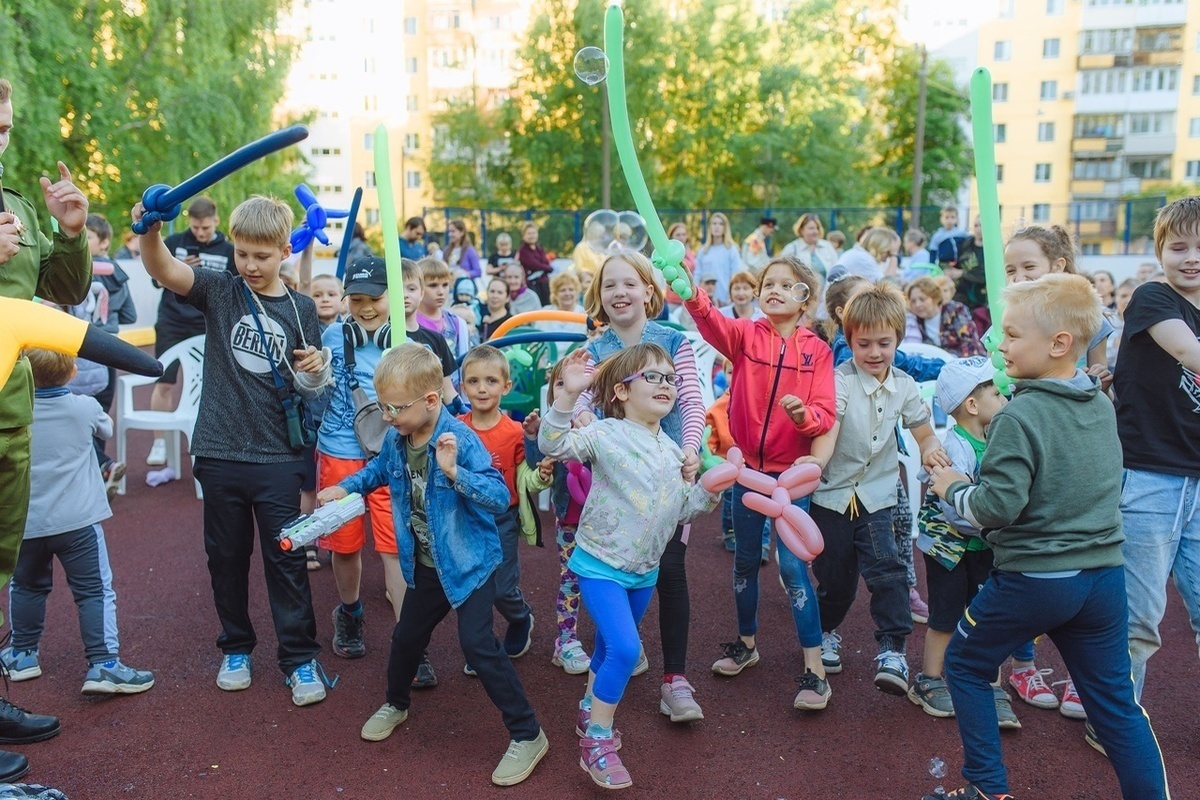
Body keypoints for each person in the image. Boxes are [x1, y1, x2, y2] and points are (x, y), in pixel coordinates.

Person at [927, 274, 1170, 800]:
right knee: (1117, 707)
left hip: (1034, 579)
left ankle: (987, 790)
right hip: (1103, 580)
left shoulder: (1018, 416)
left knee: (966, 665)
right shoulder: (1100, 405)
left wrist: (952, 487)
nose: (1000, 344)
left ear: (1059, 343)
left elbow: (995, 509)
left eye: (1012, 335)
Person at [134, 194, 333, 707]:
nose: (249, 265)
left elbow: (313, 391)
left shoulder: (302, 307)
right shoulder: (221, 290)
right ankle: (237, 648)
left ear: (285, 251)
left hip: (278, 457)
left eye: (261, 256)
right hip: (220, 452)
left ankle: (299, 657)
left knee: (286, 560)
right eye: (242, 254)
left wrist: (316, 372)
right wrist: (150, 229)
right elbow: (163, 268)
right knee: (225, 557)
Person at [319, 344, 549, 786]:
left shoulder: (459, 440)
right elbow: (378, 472)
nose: (387, 416)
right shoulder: (397, 436)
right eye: (383, 405)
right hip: (427, 564)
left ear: (430, 401)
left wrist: (453, 473)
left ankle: (528, 734)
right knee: (407, 635)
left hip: (469, 562)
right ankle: (396, 702)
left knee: (477, 644)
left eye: (395, 407)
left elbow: (500, 497)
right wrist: (346, 488)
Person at [540, 345, 718, 790]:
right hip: (599, 563)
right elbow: (553, 443)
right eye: (652, 377)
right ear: (621, 390)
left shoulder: (674, 450)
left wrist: (711, 489)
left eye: (670, 379)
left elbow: (681, 510)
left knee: (605, 648)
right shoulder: (604, 433)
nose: (665, 385)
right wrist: (567, 397)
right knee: (624, 650)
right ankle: (598, 740)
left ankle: (588, 707)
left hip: (644, 569)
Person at [684, 255, 837, 710]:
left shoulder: (818, 350)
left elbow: (825, 414)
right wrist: (690, 290)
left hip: (791, 479)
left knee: (792, 567)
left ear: (804, 296)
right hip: (746, 471)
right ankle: (747, 645)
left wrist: (803, 417)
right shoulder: (746, 334)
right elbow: (709, 321)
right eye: (768, 283)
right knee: (745, 560)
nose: (773, 289)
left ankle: (815, 669)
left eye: (785, 285)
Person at [0, 76, 93, 779]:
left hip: (10, 416)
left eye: (3, 128)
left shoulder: (12, 206)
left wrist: (66, 231)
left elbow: (60, 290)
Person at [574, 251, 707, 723]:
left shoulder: (674, 340)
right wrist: (581, 416)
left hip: (671, 478)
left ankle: (675, 679)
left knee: (669, 570)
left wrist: (690, 450)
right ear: (599, 296)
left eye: (630, 283)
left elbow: (692, 403)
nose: (620, 293)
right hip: (618, 484)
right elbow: (581, 405)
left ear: (649, 291)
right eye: (610, 285)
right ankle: (609, 672)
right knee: (613, 571)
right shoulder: (594, 351)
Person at [808, 282, 950, 698]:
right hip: (832, 497)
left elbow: (923, 432)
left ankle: (892, 647)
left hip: (877, 497)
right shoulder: (841, 381)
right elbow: (830, 429)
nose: (874, 353)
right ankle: (827, 631)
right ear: (848, 340)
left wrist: (931, 451)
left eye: (883, 343)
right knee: (835, 580)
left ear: (897, 341)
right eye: (863, 343)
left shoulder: (904, 385)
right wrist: (817, 461)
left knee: (889, 569)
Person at [0, 349, 154, 696]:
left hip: (26, 522)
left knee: (26, 587)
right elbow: (107, 427)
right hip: (78, 522)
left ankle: (23, 653)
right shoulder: (84, 407)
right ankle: (103, 664)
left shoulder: (13, 409)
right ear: (72, 371)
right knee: (94, 592)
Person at [1114, 196, 1200, 709]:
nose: (1192, 257)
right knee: (1139, 617)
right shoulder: (1152, 297)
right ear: (1160, 251)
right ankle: (1117, 718)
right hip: (1150, 478)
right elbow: (1190, 352)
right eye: (1180, 247)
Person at [908, 357, 1024, 730]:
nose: (1003, 393)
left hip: (985, 546)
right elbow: (956, 511)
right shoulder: (953, 449)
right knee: (945, 616)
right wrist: (997, 524)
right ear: (972, 405)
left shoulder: (997, 437)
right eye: (994, 389)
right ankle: (929, 679)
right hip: (951, 550)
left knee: (987, 617)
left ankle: (990, 686)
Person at [457, 345, 551, 675]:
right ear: (462, 386)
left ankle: (519, 615)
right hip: (466, 518)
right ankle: (480, 645)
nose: (482, 389)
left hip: (502, 519)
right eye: (473, 381)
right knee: (470, 585)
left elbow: (529, 476)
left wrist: (534, 448)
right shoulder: (455, 428)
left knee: (500, 586)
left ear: (506, 387)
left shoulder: (514, 432)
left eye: (491, 381)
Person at [146, 196, 235, 466]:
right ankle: (159, 443)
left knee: (215, 386)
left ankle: (211, 443)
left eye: (205, 228)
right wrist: (181, 272)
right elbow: (156, 281)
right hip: (173, 321)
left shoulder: (229, 250)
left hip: (209, 323)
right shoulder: (174, 244)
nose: (200, 232)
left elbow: (234, 289)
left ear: (216, 221)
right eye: (196, 227)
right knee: (164, 382)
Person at [1003, 225, 1113, 393]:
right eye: (1010, 270)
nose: (1019, 278)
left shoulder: (1090, 321)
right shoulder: (1006, 320)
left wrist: (1100, 385)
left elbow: (1105, 395)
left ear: (1057, 266)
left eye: (1029, 267)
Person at [83, 213, 136, 497]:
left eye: (87, 236)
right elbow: (130, 314)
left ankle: (101, 467)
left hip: (80, 353)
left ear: (104, 242)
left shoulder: (77, 270)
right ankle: (101, 472)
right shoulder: (119, 274)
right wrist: (109, 320)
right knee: (99, 417)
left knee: (74, 417)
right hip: (108, 356)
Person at [904, 276, 986, 358]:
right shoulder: (915, 321)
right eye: (913, 301)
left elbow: (968, 342)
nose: (917, 305)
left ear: (935, 298)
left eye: (922, 299)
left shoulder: (956, 311)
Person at [416, 257, 471, 360]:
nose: (441, 291)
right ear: (418, 287)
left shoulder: (457, 323)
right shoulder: (409, 323)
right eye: (433, 285)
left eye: (445, 285)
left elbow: (465, 363)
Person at [695, 212, 741, 305]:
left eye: (720, 224)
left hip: (726, 299)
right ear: (710, 227)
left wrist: (732, 295)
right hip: (706, 299)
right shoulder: (703, 251)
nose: (717, 226)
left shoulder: (731, 250)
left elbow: (736, 275)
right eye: (714, 223)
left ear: (725, 228)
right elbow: (698, 274)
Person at [781, 213, 838, 281]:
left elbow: (836, 269)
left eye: (817, 228)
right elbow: (783, 273)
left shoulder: (827, 246)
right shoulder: (792, 249)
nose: (815, 231)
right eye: (811, 228)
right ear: (801, 230)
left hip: (827, 291)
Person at [538, 270, 587, 334]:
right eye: (562, 290)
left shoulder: (585, 314)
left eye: (571, 289)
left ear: (577, 292)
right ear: (555, 294)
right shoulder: (544, 313)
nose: (567, 293)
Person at [518, 222, 552, 306]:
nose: (532, 236)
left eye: (533, 233)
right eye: (529, 233)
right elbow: (534, 264)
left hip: (544, 283)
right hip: (532, 284)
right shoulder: (523, 250)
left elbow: (545, 262)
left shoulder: (539, 248)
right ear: (524, 236)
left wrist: (546, 267)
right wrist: (547, 268)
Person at [1106, 277, 1136, 370]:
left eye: (1133, 296)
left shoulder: (1149, 324)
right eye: (1123, 296)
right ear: (1115, 298)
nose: (1128, 300)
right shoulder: (1106, 322)